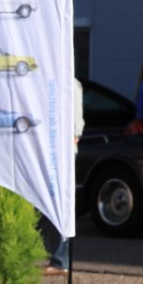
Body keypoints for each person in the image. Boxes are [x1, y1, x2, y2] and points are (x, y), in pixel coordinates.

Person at [44, 77, 85, 273]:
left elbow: (76, 123)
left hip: (62, 152)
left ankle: (61, 259)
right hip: (53, 149)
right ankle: (56, 257)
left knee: (60, 204)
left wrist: (73, 138)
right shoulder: (54, 78)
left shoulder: (69, 81)